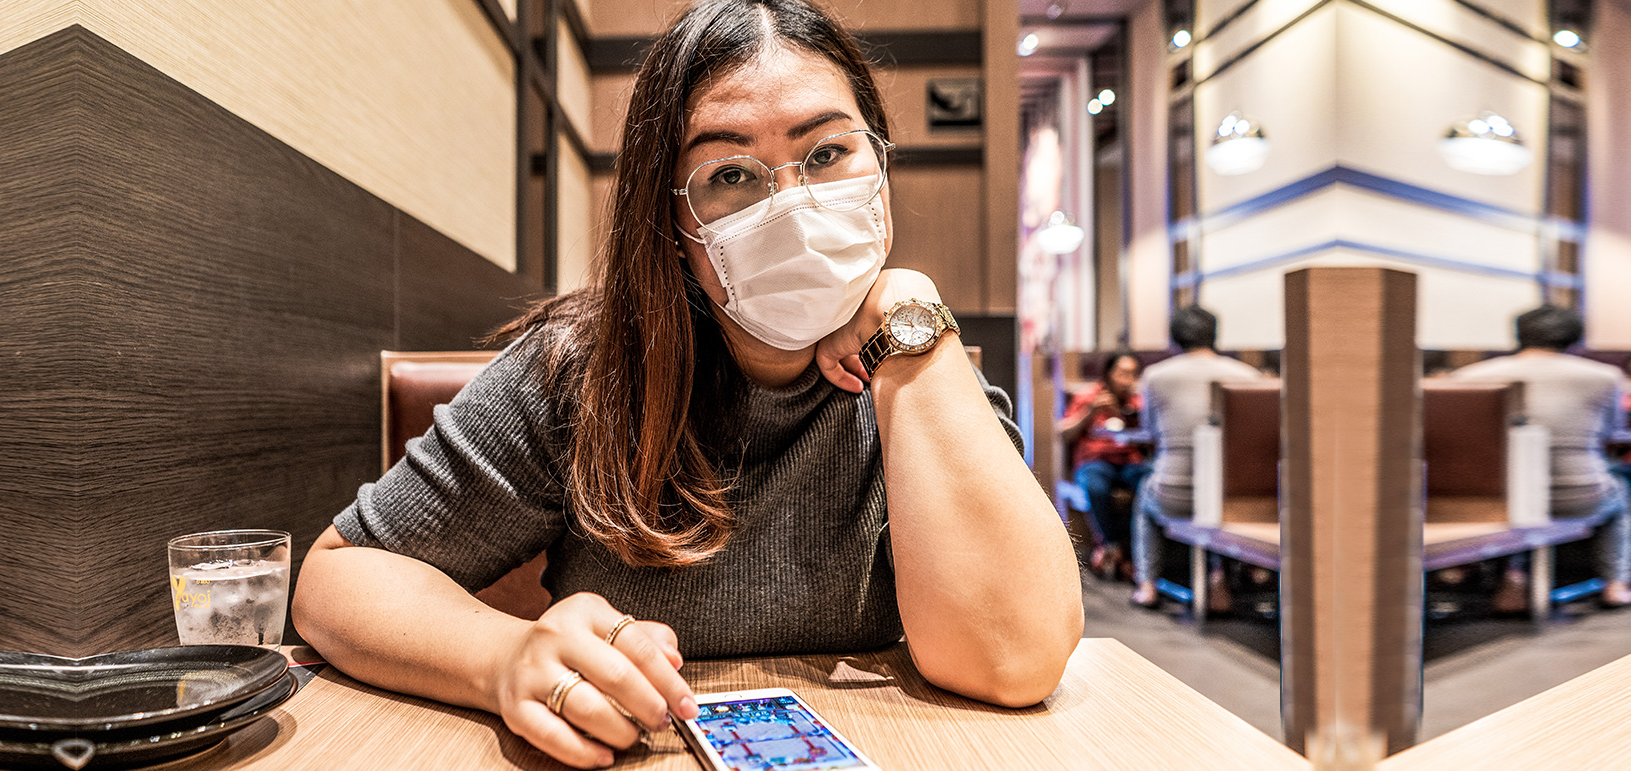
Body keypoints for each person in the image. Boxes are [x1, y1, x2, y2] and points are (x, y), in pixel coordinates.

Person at [290, 2, 1083, 768]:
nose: (794, 205)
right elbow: (337, 578)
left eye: (829, 152)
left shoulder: (918, 363)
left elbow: (1015, 657)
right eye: (731, 172)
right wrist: (502, 656)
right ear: (670, 222)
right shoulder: (578, 373)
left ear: (879, 164)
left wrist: (908, 309)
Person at [1449, 305, 1631, 608]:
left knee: (1518, 488)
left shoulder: (1469, 376)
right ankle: (1616, 583)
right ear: (1575, 337)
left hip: (1494, 496)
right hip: (1579, 493)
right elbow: (1610, 431)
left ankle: (1513, 580)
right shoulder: (1605, 376)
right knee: (1622, 493)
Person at [1130, 306, 1262, 607]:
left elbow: (1149, 430)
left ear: (1174, 337)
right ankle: (1218, 581)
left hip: (1173, 493)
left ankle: (1146, 584)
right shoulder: (1247, 376)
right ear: (1215, 335)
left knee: (1144, 496)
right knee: (1217, 489)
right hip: (1232, 496)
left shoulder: (1155, 376)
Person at [1057, 352, 1148, 579]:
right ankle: (1113, 546)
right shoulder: (1089, 396)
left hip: (1129, 460)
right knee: (1096, 486)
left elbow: (1149, 437)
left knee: (1149, 485)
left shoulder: (1137, 401)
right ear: (1109, 374)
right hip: (1095, 461)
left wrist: (1129, 417)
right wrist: (1090, 411)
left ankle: (1124, 551)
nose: (1127, 380)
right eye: (1122, 373)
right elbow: (1063, 432)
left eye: (1132, 374)